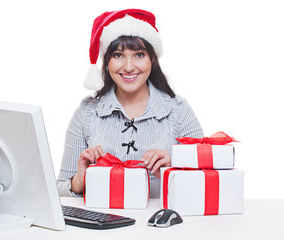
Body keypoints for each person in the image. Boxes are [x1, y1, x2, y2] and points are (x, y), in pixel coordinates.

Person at [57, 9, 203, 198]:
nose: (128, 67)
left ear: (152, 59)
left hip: (161, 224)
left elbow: (205, 185)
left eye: (139, 54)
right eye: (118, 55)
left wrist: (171, 171)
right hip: (103, 223)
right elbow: (59, 191)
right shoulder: (87, 112)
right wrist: (80, 179)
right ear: (107, 62)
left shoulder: (178, 110)